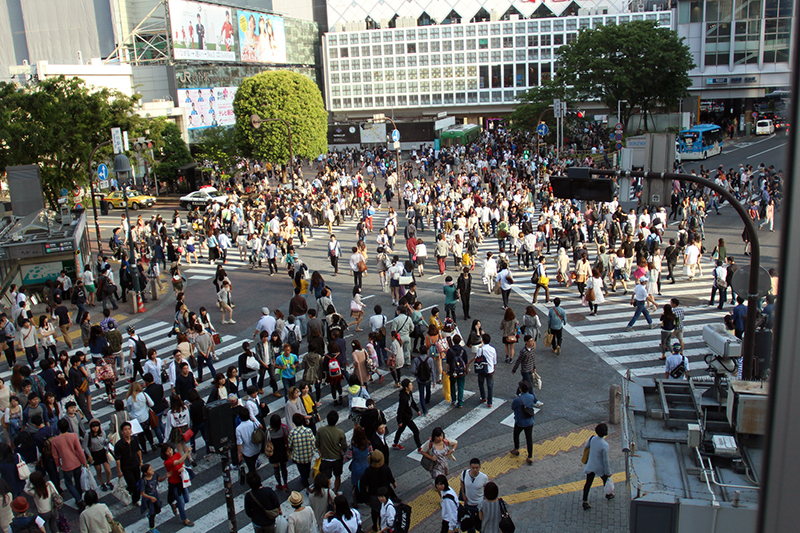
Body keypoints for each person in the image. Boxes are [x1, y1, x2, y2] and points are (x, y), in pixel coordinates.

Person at [50, 418, 86, 509]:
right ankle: (79, 497)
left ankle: (78, 499)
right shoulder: (73, 436)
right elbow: (79, 450)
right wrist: (84, 461)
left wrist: (58, 465)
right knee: (78, 481)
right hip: (76, 462)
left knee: (69, 483)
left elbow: (55, 456)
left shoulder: (54, 440)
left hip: (66, 465)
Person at [360, 450, 396, 530]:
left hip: (373, 494)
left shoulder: (368, 471)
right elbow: (390, 478)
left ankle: (374, 525)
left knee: (374, 510)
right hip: (384, 493)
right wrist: (393, 483)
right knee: (383, 511)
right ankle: (381, 526)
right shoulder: (385, 468)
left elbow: (364, 482)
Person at [160, 442, 194, 527]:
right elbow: (179, 461)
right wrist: (187, 452)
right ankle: (185, 519)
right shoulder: (167, 462)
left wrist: (182, 468)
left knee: (186, 499)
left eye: (170, 450)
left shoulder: (177, 454)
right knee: (182, 502)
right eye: (167, 451)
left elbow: (182, 463)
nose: (170, 452)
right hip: (174, 484)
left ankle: (175, 505)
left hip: (182, 481)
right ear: (165, 453)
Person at [581, 423, 614, 510]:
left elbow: (586, 446)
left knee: (588, 483)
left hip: (591, 465)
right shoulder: (605, 445)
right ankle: (608, 494)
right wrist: (608, 472)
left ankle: (585, 501)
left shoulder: (592, 438)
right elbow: (605, 461)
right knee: (605, 480)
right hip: (600, 467)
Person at [316, 410, 347, 494]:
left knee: (326, 477)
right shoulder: (340, 432)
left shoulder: (321, 430)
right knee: (337, 476)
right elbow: (344, 446)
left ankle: (328, 493)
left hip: (325, 458)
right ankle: (336, 492)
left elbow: (317, 443)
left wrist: (320, 451)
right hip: (337, 458)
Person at [114, 421, 142, 506]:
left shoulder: (134, 439)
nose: (127, 431)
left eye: (129, 429)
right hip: (126, 467)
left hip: (135, 464)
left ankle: (134, 496)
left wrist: (141, 461)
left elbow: (138, 450)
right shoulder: (118, 445)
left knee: (138, 482)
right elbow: (118, 459)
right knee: (133, 484)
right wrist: (119, 471)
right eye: (125, 430)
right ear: (122, 432)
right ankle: (134, 498)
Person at [459, 459, 489, 533]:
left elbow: (487, 488)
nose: (475, 470)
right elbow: (462, 482)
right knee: (470, 526)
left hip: (479, 505)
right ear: (470, 467)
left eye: (477, 468)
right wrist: (463, 494)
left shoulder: (484, 477)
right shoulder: (464, 473)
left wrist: (484, 499)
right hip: (468, 505)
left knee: (481, 525)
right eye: (473, 468)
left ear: (480, 467)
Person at [510, 381, 536, 464]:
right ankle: (530, 456)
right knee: (529, 438)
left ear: (520, 389)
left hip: (520, 421)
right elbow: (534, 402)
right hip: (529, 421)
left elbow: (513, 407)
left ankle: (516, 449)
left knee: (516, 434)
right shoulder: (531, 396)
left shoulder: (518, 399)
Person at [288, 413, 315, 490]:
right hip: (308, 456)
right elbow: (313, 442)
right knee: (307, 470)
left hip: (298, 457)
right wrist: (318, 451)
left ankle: (306, 485)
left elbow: (290, 445)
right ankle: (305, 479)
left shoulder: (292, 433)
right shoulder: (308, 431)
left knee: (302, 472)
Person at [393, 379, 422, 451]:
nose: (412, 386)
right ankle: (419, 447)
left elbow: (412, 402)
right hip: (406, 417)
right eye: (410, 385)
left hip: (407, 416)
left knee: (401, 429)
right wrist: (399, 421)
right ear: (406, 387)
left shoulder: (409, 393)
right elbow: (400, 409)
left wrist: (417, 409)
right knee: (415, 431)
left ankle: (395, 443)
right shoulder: (403, 398)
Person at [470, 334, 497, 407]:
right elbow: (494, 361)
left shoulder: (480, 349)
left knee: (481, 383)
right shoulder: (493, 349)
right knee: (490, 386)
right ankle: (490, 402)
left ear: (483, 341)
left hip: (481, 368)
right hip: (490, 369)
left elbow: (476, 357)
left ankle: (483, 397)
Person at [138, 462, 163, 533]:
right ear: (145, 473)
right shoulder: (144, 481)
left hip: (155, 496)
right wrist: (150, 497)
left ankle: (149, 515)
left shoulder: (154, 475)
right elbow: (142, 493)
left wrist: (166, 476)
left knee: (158, 510)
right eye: (149, 470)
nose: (152, 470)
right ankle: (152, 528)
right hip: (149, 499)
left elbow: (159, 479)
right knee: (153, 512)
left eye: (151, 469)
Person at [445, 336, 468, 407]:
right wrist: (466, 370)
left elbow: (448, 363)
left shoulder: (450, 350)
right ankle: (460, 402)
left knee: (452, 384)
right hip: (461, 371)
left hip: (453, 371)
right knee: (460, 385)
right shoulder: (463, 350)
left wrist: (446, 371)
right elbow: (466, 362)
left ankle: (453, 399)